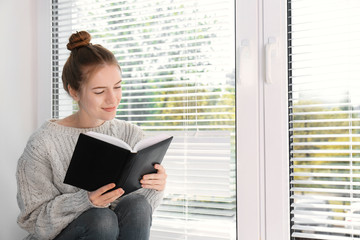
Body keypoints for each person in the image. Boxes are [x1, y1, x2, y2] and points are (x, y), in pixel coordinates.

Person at [16, 31, 167, 240]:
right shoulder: (43, 143)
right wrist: (85, 201)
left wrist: (156, 186)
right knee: (101, 220)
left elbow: (134, 216)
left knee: (138, 205)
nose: (113, 99)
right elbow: (34, 221)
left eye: (118, 87)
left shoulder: (131, 134)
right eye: (99, 91)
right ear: (75, 92)